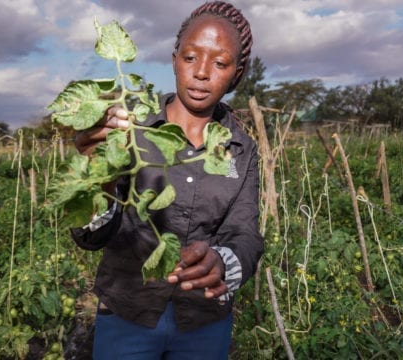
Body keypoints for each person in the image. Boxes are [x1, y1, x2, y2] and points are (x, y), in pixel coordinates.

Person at [71, 1, 264, 358]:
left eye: (220, 63)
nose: (202, 72)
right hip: (128, 311)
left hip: (204, 320)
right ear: (175, 58)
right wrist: (99, 180)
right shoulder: (132, 129)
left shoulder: (240, 149)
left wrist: (221, 261)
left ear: (236, 73)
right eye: (191, 57)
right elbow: (91, 238)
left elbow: (245, 232)